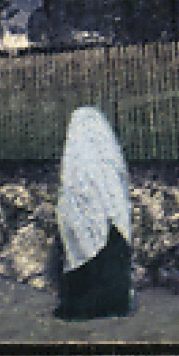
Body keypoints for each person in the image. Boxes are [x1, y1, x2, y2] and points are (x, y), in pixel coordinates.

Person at [54, 105, 134, 319]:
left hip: (86, 222)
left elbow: (69, 193)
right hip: (112, 223)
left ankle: (84, 308)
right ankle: (114, 305)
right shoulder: (108, 154)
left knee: (86, 261)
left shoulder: (75, 157)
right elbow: (119, 187)